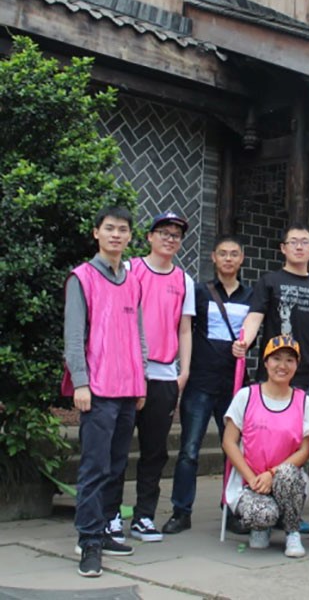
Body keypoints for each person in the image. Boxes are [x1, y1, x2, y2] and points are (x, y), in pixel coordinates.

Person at [63, 206, 147, 577]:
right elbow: (73, 337)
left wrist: (141, 380)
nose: (116, 234)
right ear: (96, 232)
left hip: (128, 388)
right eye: (109, 228)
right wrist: (80, 382)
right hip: (96, 390)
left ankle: (107, 529)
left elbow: (138, 335)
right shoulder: (81, 278)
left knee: (116, 466)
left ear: (130, 236)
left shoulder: (133, 281)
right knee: (94, 468)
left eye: (122, 229)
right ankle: (89, 541)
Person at [109, 211, 195, 545]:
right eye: (164, 233)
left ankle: (144, 515)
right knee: (117, 448)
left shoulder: (184, 280)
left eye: (176, 235)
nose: (169, 239)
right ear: (149, 237)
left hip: (164, 374)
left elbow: (184, 328)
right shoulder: (130, 269)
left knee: (155, 450)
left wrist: (183, 371)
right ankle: (111, 515)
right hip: (128, 374)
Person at [163, 234, 253, 535]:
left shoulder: (251, 296)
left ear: (241, 258)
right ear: (213, 257)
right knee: (189, 449)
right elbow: (185, 330)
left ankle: (232, 508)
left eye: (234, 254)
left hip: (233, 386)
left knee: (234, 451)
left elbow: (253, 336)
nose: (228, 258)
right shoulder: (199, 292)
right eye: (222, 253)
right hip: (200, 383)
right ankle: (181, 511)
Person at [222, 335, 309, 557]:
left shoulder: (304, 401)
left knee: (287, 473)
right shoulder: (246, 396)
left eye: (290, 360)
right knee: (263, 515)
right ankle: (261, 527)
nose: (282, 366)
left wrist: (272, 474)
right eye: (276, 359)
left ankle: (292, 531)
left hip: (285, 480)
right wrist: (252, 478)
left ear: (297, 365)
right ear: (265, 362)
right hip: (250, 482)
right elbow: (229, 442)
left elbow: (304, 451)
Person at [240, 223, 309, 409]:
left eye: (305, 242)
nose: (299, 247)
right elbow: (255, 317)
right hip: (273, 372)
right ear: (283, 248)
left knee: (306, 427)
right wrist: (243, 342)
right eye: (293, 242)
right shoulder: (269, 281)